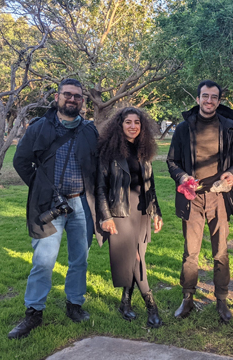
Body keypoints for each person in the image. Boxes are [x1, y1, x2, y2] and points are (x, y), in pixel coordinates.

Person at [9, 78, 101, 339]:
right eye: (68, 95)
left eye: (78, 96)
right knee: (43, 261)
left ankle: (74, 304)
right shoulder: (39, 127)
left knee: (79, 259)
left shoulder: (89, 131)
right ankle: (34, 312)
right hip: (48, 205)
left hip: (80, 204)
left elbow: (96, 166)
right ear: (57, 97)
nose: (72, 99)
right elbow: (21, 161)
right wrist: (41, 190)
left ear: (83, 101)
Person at [167, 79, 233, 323]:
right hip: (192, 198)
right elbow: (172, 162)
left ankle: (221, 299)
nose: (209, 100)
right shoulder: (183, 128)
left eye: (213, 97)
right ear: (198, 99)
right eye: (205, 96)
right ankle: (187, 297)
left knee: (220, 251)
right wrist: (182, 176)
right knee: (191, 252)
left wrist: (232, 173)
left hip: (219, 197)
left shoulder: (229, 128)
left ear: (218, 101)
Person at [96, 107, 164, 328]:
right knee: (136, 259)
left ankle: (125, 302)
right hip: (120, 212)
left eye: (137, 122)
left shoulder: (144, 150)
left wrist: (157, 212)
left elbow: (150, 185)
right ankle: (151, 306)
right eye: (128, 122)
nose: (133, 126)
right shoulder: (109, 151)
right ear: (120, 125)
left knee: (136, 259)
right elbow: (100, 188)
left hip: (142, 211)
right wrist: (106, 216)